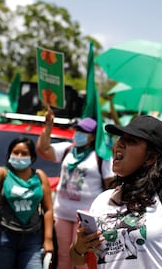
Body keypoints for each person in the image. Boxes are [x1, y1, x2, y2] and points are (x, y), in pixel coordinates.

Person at [69, 30, 162, 268]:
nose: (119, 144)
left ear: (151, 157)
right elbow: (77, 258)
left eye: (132, 141)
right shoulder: (101, 202)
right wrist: (80, 247)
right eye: (120, 138)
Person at [37, 109, 115, 269]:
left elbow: (110, 187)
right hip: (63, 213)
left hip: (86, 219)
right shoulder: (67, 149)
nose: (78, 133)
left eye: (84, 131)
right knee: (64, 257)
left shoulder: (102, 157)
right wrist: (48, 126)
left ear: (93, 136)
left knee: (83, 260)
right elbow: (43, 150)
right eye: (78, 129)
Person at [0, 136, 54, 269]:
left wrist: (48, 240)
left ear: (32, 157)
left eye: (24, 153)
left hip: (32, 239)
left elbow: (48, 209)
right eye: (15, 152)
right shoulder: (4, 173)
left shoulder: (40, 176)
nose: (19, 156)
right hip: (3, 237)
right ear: (9, 155)